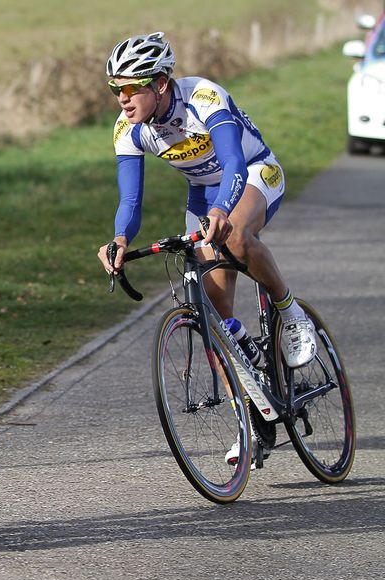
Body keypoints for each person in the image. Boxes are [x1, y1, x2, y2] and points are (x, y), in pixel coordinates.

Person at [96, 32, 318, 373]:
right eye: (116, 90)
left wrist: (222, 210)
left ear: (160, 83)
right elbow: (130, 199)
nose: (122, 100)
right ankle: (253, 403)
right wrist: (120, 239)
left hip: (255, 171)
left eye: (130, 88)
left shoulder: (202, 96)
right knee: (214, 318)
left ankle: (289, 312)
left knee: (235, 237)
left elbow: (233, 162)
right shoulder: (127, 129)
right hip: (203, 193)